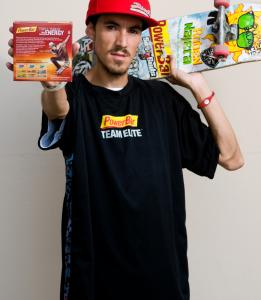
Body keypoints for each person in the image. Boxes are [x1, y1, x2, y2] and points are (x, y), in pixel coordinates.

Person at [7, 0, 244, 299]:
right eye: (111, 27)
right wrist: (53, 86)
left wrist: (198, 85)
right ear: (91, 31)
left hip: (164, 282)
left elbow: (231, 158)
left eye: (133, 31)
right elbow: (57, 110)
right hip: (93, 282)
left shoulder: (163, 99)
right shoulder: (74, 95)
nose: (122, 42)